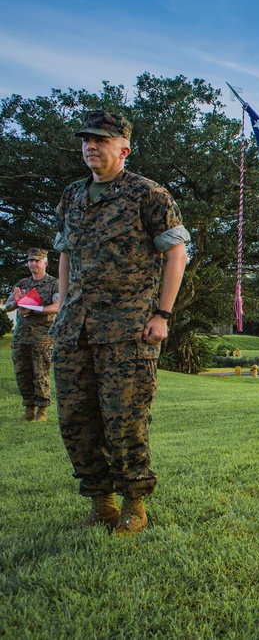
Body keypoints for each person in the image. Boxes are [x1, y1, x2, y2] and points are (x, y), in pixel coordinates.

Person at [51, 110, 190, 535]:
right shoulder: (72, 196)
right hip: (75, 328)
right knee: (76, 419)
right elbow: (65, 254)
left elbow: (176, 253)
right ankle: (101, 503)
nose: (91, 146)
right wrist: (61, 303)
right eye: (86, 140)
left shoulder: (148, 195)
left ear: (123, 149)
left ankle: (134, 505)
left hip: (128, 329)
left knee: (124, 419)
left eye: (101, 140)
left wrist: (162, 314)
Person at [5, 248, 61, 421]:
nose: (33, 263)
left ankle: (42, 411)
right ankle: (29, 409)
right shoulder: (22, 283)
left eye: (37, 260)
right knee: (23, 373)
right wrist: (16, 301)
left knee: (41, 374)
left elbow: (57, 306)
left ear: (45, 263)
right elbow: (8, 306)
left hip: (42, 337)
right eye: (30, 260)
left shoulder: (53, 283)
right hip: (21, 337)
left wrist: (34, 309)